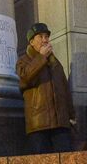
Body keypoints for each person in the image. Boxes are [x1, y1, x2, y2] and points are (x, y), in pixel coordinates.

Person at [16, 22, 74, 154]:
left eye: (46, 37)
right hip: (38, 124)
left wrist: (71, 115)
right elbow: (24, 79)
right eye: (40, 37)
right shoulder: (23, 61)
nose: (44, 40)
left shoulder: (54, 62)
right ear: (31, 42)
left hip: (60, 124)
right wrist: (41, 57)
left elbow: (65, 89)